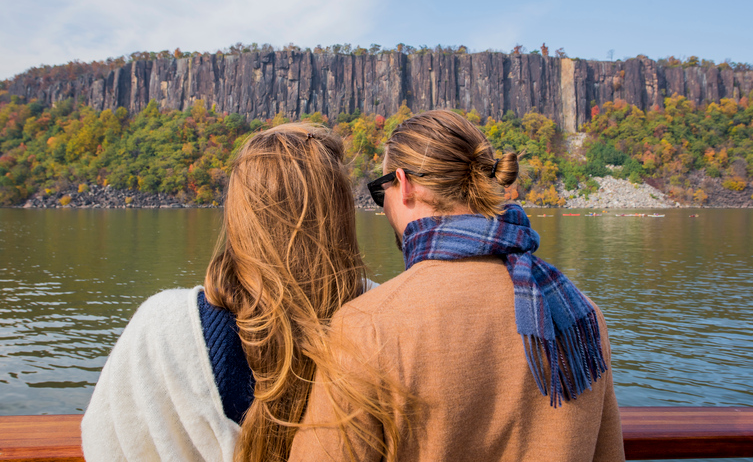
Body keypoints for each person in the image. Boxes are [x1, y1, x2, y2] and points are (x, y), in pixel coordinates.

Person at [289, 110, 625, 461]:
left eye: (380, 191)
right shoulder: (579, 315)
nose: (383, 204)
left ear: (404, 185)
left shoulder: (366, 326)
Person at [82, 123, 385, 461]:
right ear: (341, 211)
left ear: (237, 211)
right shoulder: (385, 318)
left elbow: (105, 445)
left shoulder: (162, 327)